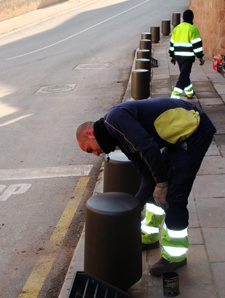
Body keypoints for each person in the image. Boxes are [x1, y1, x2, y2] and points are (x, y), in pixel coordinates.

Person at [76, 98, 216, 276]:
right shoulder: (118, 136)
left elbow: (149, 149)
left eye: (90, 149)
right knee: (154, 190)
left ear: (90, 133)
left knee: (175, 197)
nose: (96, 154)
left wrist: (163, 184)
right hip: (177, 136)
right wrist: (132, 209)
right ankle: (148, 237)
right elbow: (147, 175)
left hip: (195, 131)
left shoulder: (115, 119)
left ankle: (175, 257)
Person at [169, 9, 205, 99]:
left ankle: (190, 92)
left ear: (183, 18)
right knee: (183, 76)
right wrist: (200, 57)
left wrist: (172, 56)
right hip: (188, 57)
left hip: (178, 57)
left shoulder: (177, 28)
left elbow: (172, 43)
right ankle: (174, 97)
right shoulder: (193, 29)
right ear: (192, 18)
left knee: (184, 74)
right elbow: (197, 45)